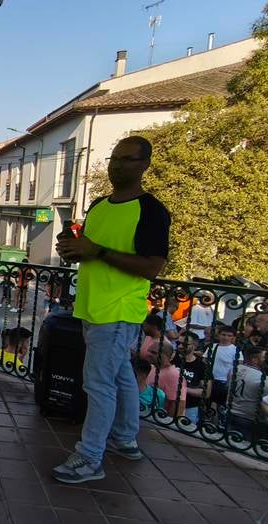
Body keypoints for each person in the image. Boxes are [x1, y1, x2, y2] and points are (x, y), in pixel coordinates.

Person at [52, 136, 171, 483]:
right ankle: (125, 438)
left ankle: (90, 457)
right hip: (92, 307)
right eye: (114, 158)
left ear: (144, 164)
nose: (117, 165)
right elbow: (89, 249)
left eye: (127, 159)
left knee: (98, 384)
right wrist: (74, 249)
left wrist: (98, 251)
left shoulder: (151, 211)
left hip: (118, 311)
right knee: (120, 377)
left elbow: (152, 267)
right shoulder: (98, 206)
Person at [226, 346, 268, 441]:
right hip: (249, 420)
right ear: (255, 360)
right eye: (266, 357)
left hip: (230, 413)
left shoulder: (235, 369)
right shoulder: (264, 379)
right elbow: (267, 405)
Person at [146, 340, 185, 416]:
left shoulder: (174, 375)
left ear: (165, 355)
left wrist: (167, 421)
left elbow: (178, 404)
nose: (149, 354)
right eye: (149, 351)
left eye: (153, 352)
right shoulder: (152, 368)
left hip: (159, 419)